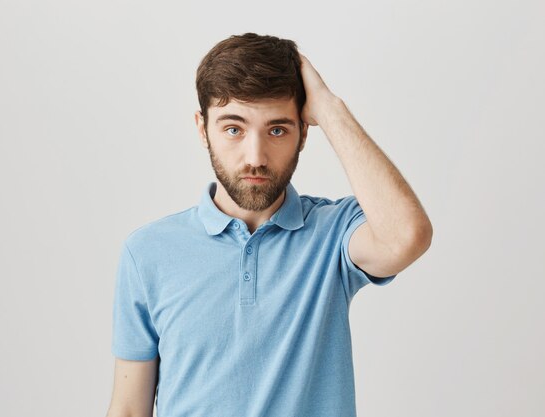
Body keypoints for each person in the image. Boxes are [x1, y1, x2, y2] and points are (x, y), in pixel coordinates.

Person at [105, 33, 433, 417]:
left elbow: (406, 236)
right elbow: (129, 409)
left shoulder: (332, 233)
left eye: (277, 130)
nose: (255, 157)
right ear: (202, 128)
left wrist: (329, 109)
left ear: (303, 133)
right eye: (234, 129)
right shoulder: (148, 252)